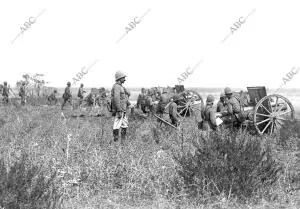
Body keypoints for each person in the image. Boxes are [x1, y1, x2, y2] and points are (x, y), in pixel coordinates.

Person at [111, 71, 130, 143]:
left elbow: (124, 98)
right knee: (116, 126)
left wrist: (129, 104)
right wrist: (119, 110)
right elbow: (116, 98)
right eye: (123, 78)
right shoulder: (116, 87)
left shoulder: (120, 87)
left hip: (123, 110)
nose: (125, 79)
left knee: (124, 125)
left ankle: (123, 142)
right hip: (120, 110)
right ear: (120, 78)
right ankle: (115, 143)